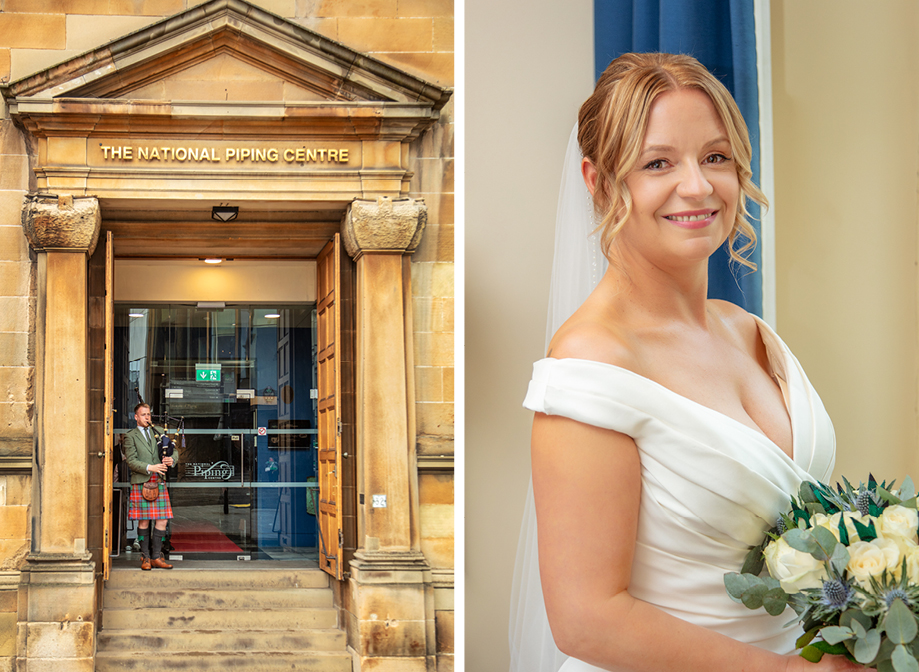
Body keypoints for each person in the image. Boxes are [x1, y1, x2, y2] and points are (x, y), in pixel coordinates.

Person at [511, 53, 865, 672]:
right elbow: (586, 619)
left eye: (715, 157)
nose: (698, 186)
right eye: (658, 163)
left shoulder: (749, 330)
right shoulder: (592, 364)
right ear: (598, 182)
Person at [124, 402, 177, 570]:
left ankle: (156, 557)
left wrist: (172, 459)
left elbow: (173, 451)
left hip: (159, 480)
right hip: (142, 481)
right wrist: (150, 467)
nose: (147, 417)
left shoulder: (159, 432)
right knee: (144, 521)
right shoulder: (130, 436)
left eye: (149, 414)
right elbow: (131, 461)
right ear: (136, 417)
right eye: (144, 414)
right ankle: (145, 557)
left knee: (162, 520)